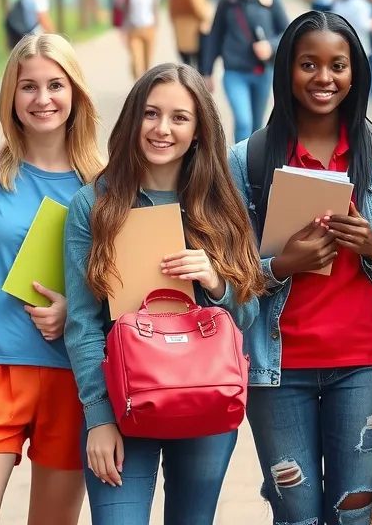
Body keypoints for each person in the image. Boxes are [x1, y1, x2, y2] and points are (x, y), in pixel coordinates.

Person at [63, 63, 264, 524]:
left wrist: (215, 282)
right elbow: (82, 323)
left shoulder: (221, 203)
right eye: (151, 115)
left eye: (179, 118)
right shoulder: (94, 205)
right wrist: (98, 417)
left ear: (198, 131)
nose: (162, 129)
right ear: (133, 119)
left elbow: (249, 313)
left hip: (204, 399)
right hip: (122, 399)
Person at [228, 11, 372, 525]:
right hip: (276, 370)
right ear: (287, 70)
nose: (324, 78)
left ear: (356, 74)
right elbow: (227, 278)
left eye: (337, 65)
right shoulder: (249, 161)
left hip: (364, 363)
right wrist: (282, 264)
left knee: (354, 513)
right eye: (308, 64)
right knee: (297, 516)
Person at [0, 34, 104, 525]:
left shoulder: (106, 181)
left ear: (75, 91)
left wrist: (76, 310)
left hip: (73, 379)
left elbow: (122, 283)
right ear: (10, 94)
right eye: (28, 86)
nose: (43, 99)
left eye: (56, 84)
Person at [200, 0, 290, 143]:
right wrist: (206, 71)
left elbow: (288, 33)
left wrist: (271, 46)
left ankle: (252, 164)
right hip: (234, 72)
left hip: (262, 72)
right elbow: (214, 36)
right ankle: (239, 168)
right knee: (243, 121)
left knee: (257, 126)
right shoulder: (227, 2)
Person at [120, 0, 162, 80]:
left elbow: (156, 9)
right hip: (134, 29)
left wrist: (156, 26)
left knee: (148, 60)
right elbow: (124, 11)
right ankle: (137, 84)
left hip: (149, 27)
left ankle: (147, 83)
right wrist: (123, 31)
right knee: (136, 60)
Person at [168, 0, 212, 70]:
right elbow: (201, 11)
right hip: (195, 33)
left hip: (180, 33)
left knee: (187, 65)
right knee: (198, 66)